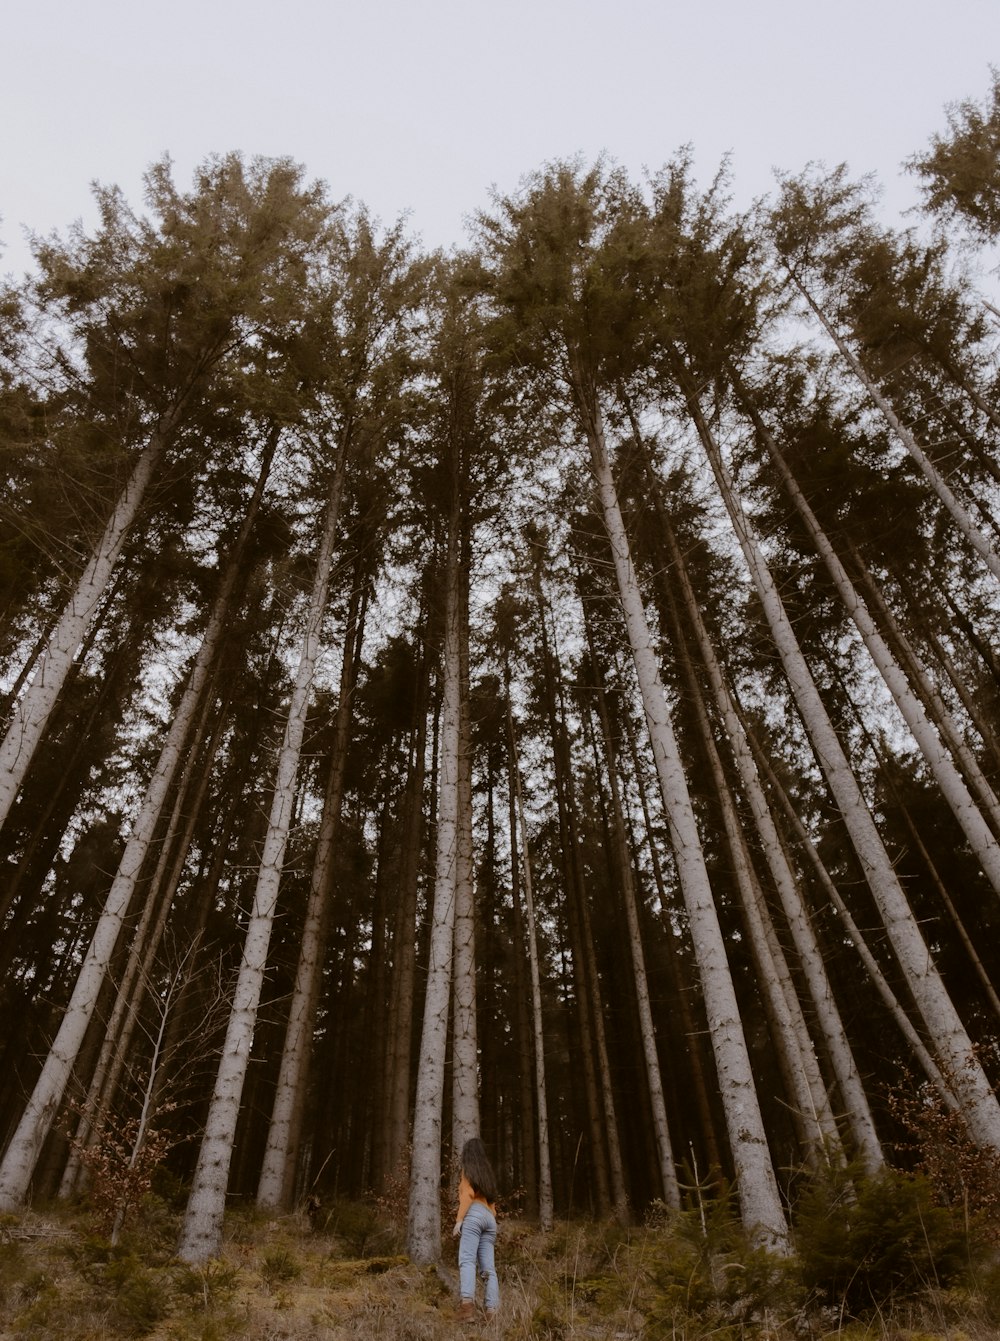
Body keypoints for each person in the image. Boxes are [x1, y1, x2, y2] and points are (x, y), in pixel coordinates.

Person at [452, 1136, 499, 1322]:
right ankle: (492, 1312)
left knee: (467, 1260)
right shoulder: (487, 1174)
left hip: (474, 1214)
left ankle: (466, 1309)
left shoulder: (468, 1170)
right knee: (489, 1269)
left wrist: (459, 1220)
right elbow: (492, 1203)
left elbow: (467, 1195)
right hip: (490, 1219)